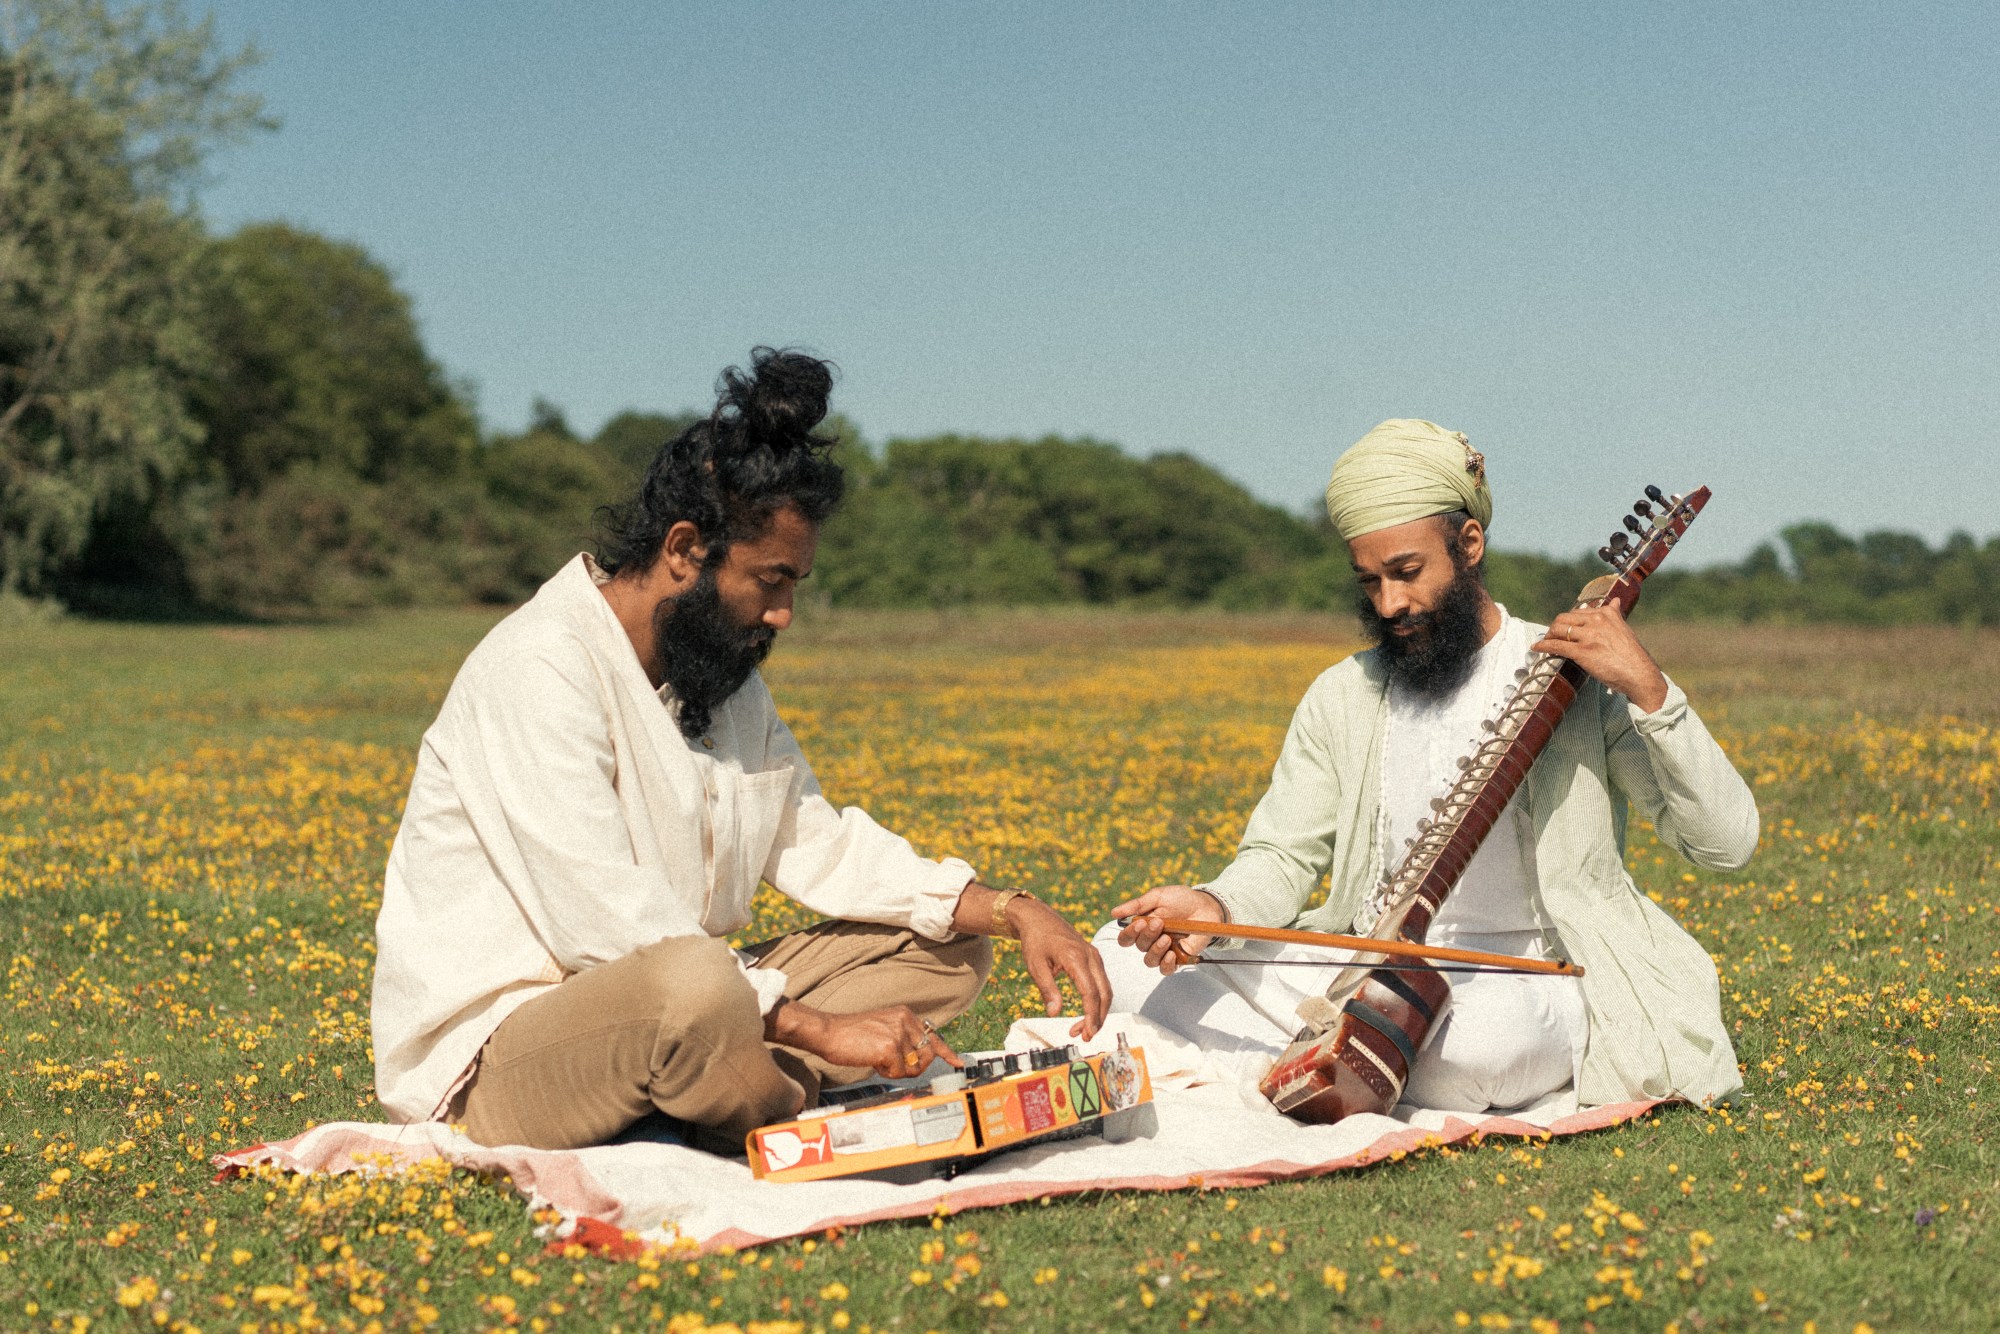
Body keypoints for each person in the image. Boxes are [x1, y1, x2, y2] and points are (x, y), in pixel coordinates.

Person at [372, 348, 1110, 1151]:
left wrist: (1013, 910)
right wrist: (820, 1028)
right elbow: (608, 924)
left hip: (686, 1007)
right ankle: (772, 1092)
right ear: (685, 549)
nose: (785, 614)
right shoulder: (538, 665)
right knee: (693, 988)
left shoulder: (720, 680)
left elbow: (818, 843)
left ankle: (719, 1088)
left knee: (948, 946)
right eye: (772, 581)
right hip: (504, 1055)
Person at [1104, 419, 1757, 1114]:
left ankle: (1321, 1058)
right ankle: (1355, 1059)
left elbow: (1726, 843)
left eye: (1407, 573)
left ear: (1469, 544)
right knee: (1118, 961)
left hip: (1527, 979)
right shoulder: (1343, 695)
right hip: (1371, 968)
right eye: (1370, 581)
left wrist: (1652, 692)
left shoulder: (1576, 676)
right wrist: (1215, 907)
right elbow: (1281, 856)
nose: (1390, 604)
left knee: (1475, 1050)